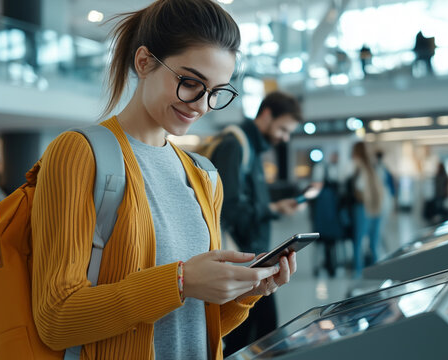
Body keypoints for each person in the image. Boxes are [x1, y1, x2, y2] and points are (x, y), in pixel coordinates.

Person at [30, 1, 297, 359]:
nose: (201, 105)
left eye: (216, 92)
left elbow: (193, 324)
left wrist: (246, 292)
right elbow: (56, 318)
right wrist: (180, 281)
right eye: (190, 83)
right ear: (144, 62)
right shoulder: (80, 152)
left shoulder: (203, 175)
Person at [207, 91, 302, 356]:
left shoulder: (252, 148)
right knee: (253, 340)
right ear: (267, 114)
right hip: (241, 263)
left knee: (264, 337)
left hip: (255, 260)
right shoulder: (235, 145)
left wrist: (274, 208)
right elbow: (229, 206)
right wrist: (271, 209)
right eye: (283, 128)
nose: (285, 137)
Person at [350, 142, 385, 278]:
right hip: (376, 206)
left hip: (362, 206)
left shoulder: (357, 165)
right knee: (374, 242)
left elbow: (357, 187)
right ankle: (376, 272)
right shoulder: (374, 166)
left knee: (358, 242)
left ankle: (358, 272)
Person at [310, 152, 346, 277]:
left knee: (329, 239)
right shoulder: (323, 169)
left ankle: (331, 265)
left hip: (329, 211)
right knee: (325, 239)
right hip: (326, 211)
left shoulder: (330, 169)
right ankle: (328, 265)